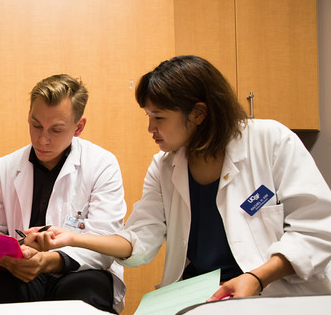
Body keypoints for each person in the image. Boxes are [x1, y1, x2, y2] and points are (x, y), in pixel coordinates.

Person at [26, 55, 331, 300]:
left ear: (199, 114)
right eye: (148, 116)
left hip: (274, 292)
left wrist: (257, 277)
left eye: (159, 117)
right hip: (200, 295)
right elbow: (139, 241)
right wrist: (72, 238)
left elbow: (316, 230)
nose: (151, 129)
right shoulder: (164, 167)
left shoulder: (271, 141)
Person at [0, 74, 127, 315]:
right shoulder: (6, 167)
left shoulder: (102, 165)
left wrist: (48, 261)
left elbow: (104, 245)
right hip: (21, 270)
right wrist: (14, 257)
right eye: (36, 125)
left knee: (85, 295)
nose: (42, 139)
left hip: (80, 271)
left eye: (56, 130)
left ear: (78, 127)